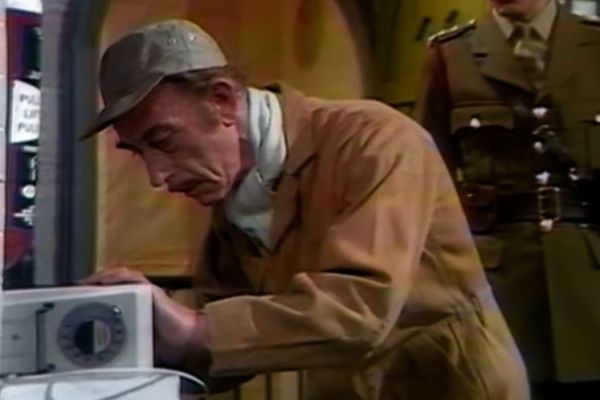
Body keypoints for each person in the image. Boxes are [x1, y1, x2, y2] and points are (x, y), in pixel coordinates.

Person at [81, 19, 528, 399]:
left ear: (222, 101)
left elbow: (360, 310)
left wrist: (194, 330)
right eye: (138, 152)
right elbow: (223, 326)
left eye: (163, 141)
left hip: (450, 386)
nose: (157, 177)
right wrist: (137, 339)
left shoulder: (375, 141)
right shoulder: (236, 192)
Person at [414, 0, 600, 399]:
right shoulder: (451, 55)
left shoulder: (593, 45)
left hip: (589, 275)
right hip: (499, 283)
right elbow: (428, 181)